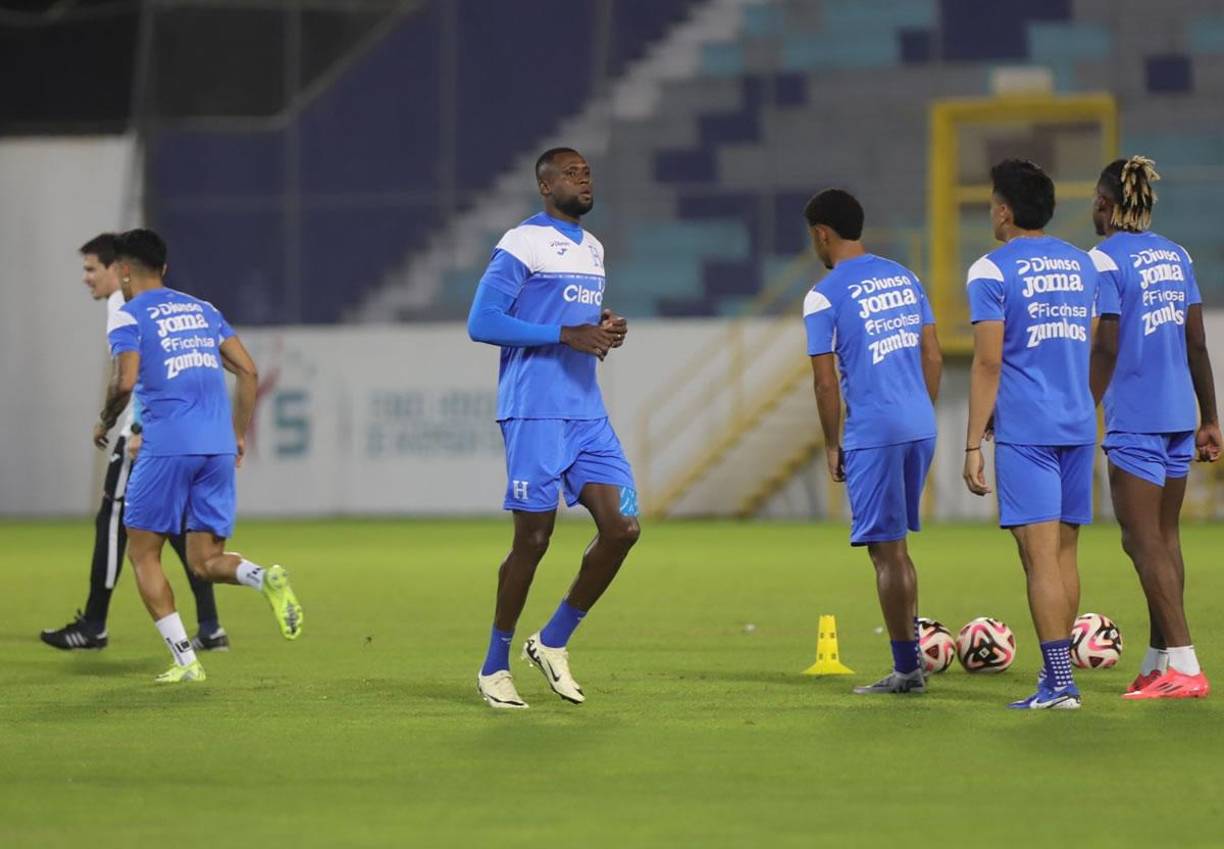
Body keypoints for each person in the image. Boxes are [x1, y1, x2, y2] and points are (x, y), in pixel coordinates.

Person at [467, 147, 639, 710]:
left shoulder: (593, 248)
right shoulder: (523, 242)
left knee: (623, 528)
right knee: (533, 541)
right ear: (545, 186)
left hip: (586, 412)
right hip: (535, 411)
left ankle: (552, 641)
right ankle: (495, 667)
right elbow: (483, 320)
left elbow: (567, 316)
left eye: (587, 172)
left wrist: (602, 326)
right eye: (571, 174)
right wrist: (567, 334)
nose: (583, 180)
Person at [95, 228, 303, 683]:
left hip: (167, 446)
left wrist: (105, 420)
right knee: (204, 562)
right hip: (216, 448)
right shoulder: (203, 309)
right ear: (164, 269)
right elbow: (248, 371)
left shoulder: (128, 316)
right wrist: (238, 434)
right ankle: (262, 577)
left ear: (124, 271)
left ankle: (186, 660)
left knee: (143, 554)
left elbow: (125, 382)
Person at [42, 233, 228, 652]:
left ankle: (93, 625)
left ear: (118, 269)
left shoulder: (123, 306)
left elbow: (135, 377)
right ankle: (211, 626)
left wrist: (140, 428)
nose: (87, 278)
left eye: (92, 269)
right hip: (181, 433)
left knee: (112, 523)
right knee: (176, 528)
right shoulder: (163, 304)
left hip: (144, 436)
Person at [962, 159, 1098, 710]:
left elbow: (987, 363)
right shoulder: (1084, 265)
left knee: (1038, 558)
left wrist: (973, 441)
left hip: (1028, 430)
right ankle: (1058, 676)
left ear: (1004, 210)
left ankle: (1060, 683)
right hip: (1078, 420)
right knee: (1064, 555)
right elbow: (1081, 341)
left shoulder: (991, 270)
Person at [1088, 155, 1218, 700]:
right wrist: (1210, 417)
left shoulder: (1102, 258)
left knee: (1141, 540)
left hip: (1136, 417)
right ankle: (1159, 660)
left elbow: (1108, 342)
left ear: (1104, 205)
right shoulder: (1176, 254)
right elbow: (1196, 341)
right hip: (1177, 415)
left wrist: (1081, 406)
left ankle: (1186, 665)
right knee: (1164, 539)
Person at [802, 189, 942, 694]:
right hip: (918, 425)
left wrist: (831, 443)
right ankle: (910, 661)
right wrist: (920, 410)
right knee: (896, 547)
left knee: (887, 553)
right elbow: (933, 354)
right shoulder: (905, 277)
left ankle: (907, 669)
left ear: (822, 233)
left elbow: (823, 382)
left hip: (874, 432)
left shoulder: (824, 294)